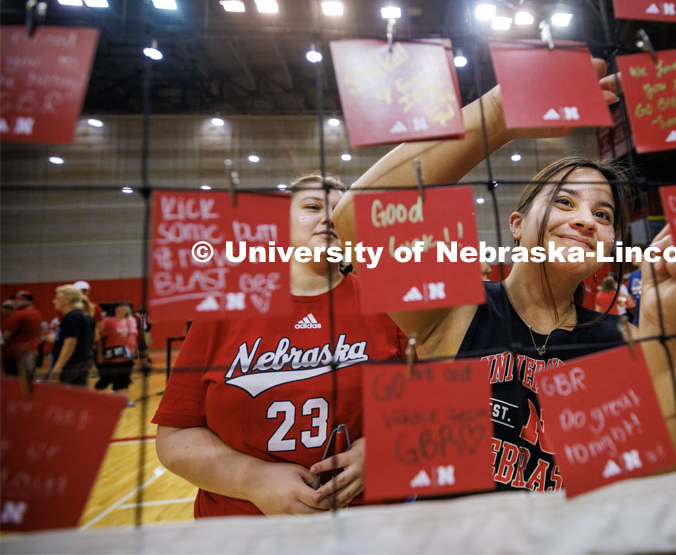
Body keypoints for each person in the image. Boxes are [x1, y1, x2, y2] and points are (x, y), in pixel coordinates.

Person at [334, 60, 676, 491]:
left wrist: (668, 329)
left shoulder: (624, 343)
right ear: (517, 225)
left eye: (602, 214)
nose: (585, 221)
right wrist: (501, 111)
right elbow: (357, 219)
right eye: (564, 202)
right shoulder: (458, 309)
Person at [153, 174, 406, 518]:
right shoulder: (224, 306)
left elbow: (430, 405)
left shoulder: (390, 303)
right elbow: (174, 436)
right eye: (312, 207)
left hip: (368, 520)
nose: (329, 218)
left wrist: (383, 447)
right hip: (241, 529)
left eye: (341, 210)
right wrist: (254, 479)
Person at [46, 284, 95, 385]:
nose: (54, 301)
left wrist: (57, 368)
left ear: (67, 300)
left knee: (53, 393)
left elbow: (70, 344)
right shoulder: (81, 315)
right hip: (82, 362)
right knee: (77, 396)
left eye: (57, 298)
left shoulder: (71, 317)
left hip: (70, 364)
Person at [96, 302, 138, 405]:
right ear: (115, 310)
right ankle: (94, 397)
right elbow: (99, 339)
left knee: (125, 377)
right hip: (112, 356)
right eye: (120, 308)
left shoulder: (131, 321)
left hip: (127, 356)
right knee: (106, 378)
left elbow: (134, 337)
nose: (122, 310)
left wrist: (136, 351)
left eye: (125, 308)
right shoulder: (108, 321)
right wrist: (99, 354)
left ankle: (122, 398)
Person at [1, 290, 42, 377]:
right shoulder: (37, 313)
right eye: (15, 299)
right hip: (31, 353)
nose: (16, 301)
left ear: (29, 301)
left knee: (12, 384)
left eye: (20, 299)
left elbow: (6, 336)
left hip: (14, 356)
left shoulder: (18, 314)